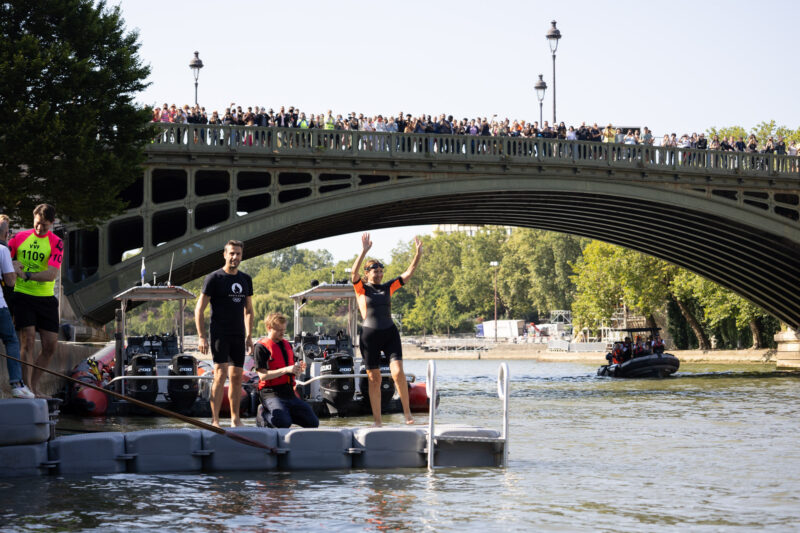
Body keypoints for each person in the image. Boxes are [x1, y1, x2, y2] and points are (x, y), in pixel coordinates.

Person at [351, 233, 422, 426]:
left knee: (398, 373)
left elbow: (409, 272)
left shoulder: (388, 287)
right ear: (368, 273)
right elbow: (353, 273)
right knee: (374, 379)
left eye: (381, 271)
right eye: (375, 271)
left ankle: (407, 415)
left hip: (389, 333)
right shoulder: (361, 288)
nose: (379, 274)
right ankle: (378, 421)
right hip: (369, 337)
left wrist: (418, 254)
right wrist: (364, 251)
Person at [195, 240, 254, 427]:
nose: (235, 257)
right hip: (219, 333)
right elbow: (199, 309)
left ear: (242, 255)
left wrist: (249, 336)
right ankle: (215, 420)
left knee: (237, 376)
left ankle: (235, 419)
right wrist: (202, 336)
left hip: (238, 334)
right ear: (225, 254)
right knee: (220, 374)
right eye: (232, 253)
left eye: (238, 254)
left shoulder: (245, 279)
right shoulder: (214, 278)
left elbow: (249, 310)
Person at [8, 204, 63, 398]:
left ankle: (34, 385)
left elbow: (51, 274)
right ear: (34, 219)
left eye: (45, 226)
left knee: (50, 346)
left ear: (52, 223)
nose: (40, 229)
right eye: (38, 224)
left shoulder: (56, 243)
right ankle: (28, 389)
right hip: (23, 296)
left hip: (46, 298)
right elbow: (3, 253)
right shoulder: (20, 237)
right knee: (28, 340)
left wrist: (27, 274)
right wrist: (12, 262)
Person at [254, 312, 319, 428]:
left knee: (313, 422)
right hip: (270, 393)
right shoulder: (261, 347)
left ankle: (284, 414)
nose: (282, 333)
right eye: (279, 330)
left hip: (288, 393)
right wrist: (287, 369)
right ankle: (263, 414)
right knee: (283, 423)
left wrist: (297, 369)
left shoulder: (287, 345)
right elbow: (262, 376)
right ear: (269, 328)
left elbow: (291, 369)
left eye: (284, 330)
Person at [0, 216, 34, 399]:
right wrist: (14, 268)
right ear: (6, 233)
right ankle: (17, 384)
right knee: (11, 340)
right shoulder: (3, 249)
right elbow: (10, 281)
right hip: (0, 307)